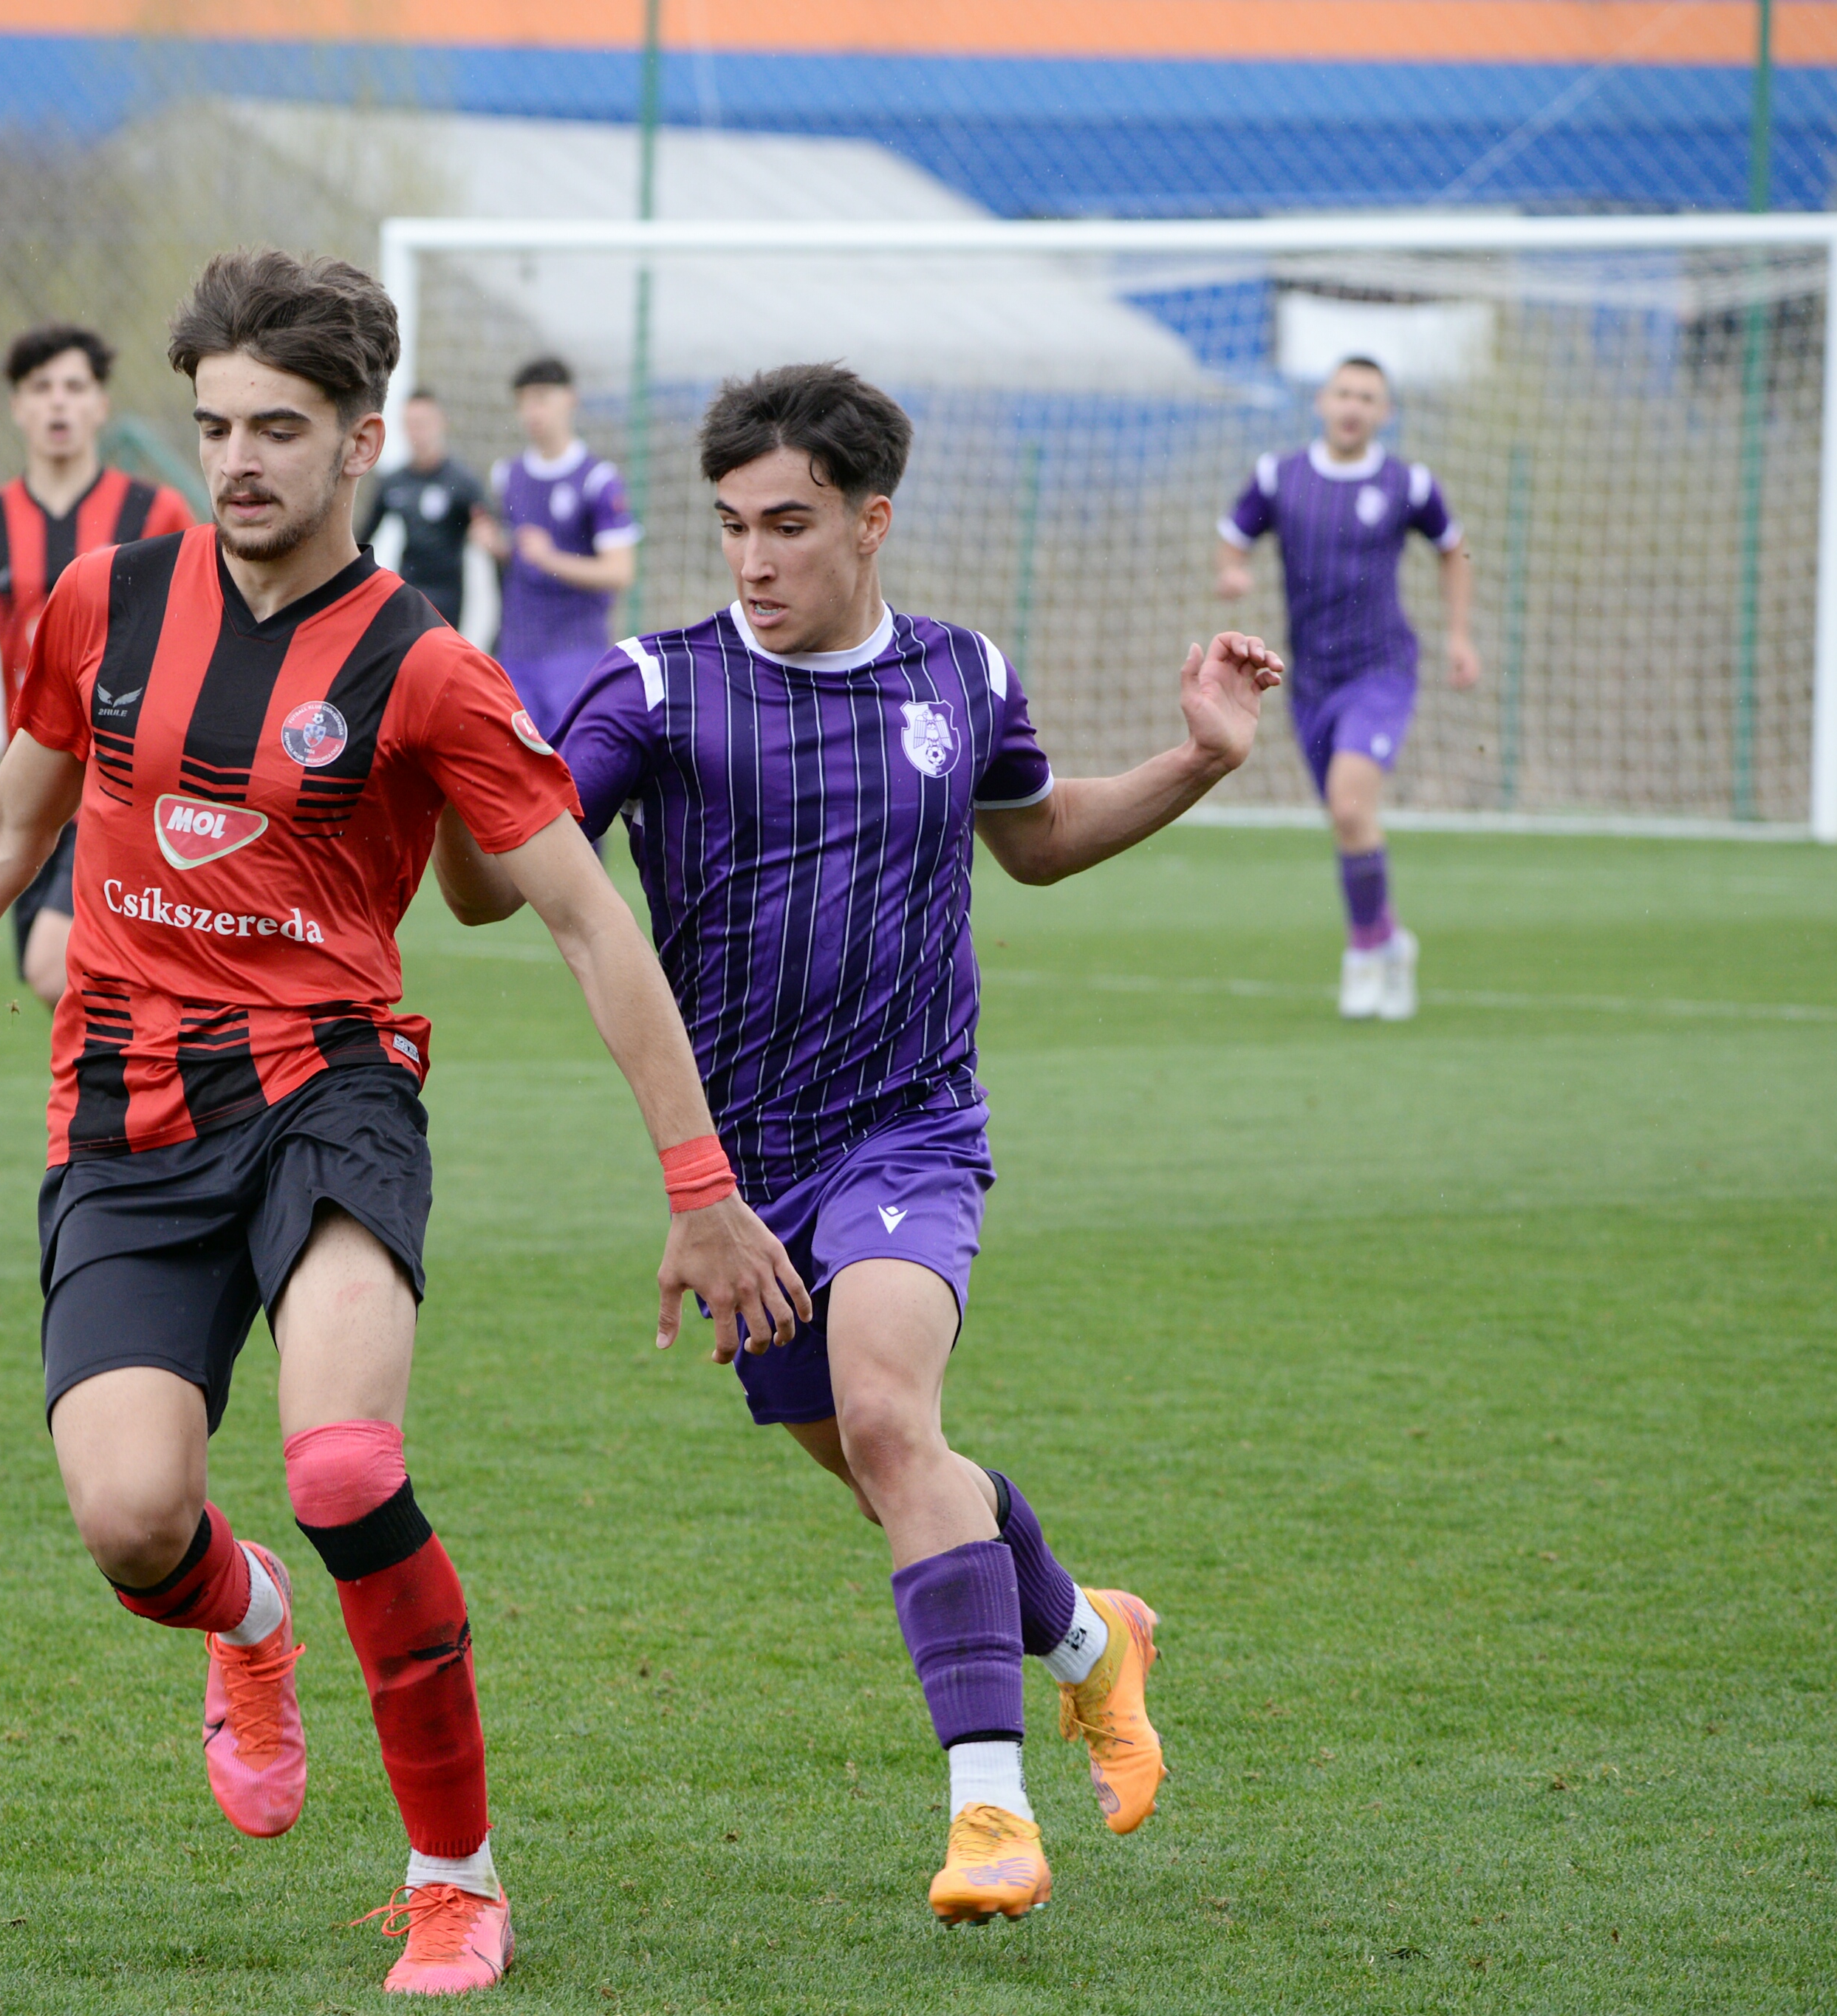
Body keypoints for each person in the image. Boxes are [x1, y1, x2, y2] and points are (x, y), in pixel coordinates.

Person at [0, 250, 808, 1996]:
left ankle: (455, 1877)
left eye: (279, 430)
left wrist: (697, 1185)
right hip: (120, 1113)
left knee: (342, 1464)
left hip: (328, 1096)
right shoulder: (100, 604)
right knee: (127, 1519)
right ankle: (247, 1627)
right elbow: (4, 837)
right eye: (215, 426)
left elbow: (583, 920)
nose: (237, 461)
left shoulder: (425, 665)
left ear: (363, 443)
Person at [458, 362, 1283, 1927]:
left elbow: (1034, 842)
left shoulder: (962, 676)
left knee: (895, 1420)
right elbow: (506, 883)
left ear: (870, 517)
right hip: (742, 1173)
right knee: (885, 1466)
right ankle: (1097, 1640)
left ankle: (989, 1818)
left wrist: (1199, 759)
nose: (755, 560)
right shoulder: (657, 687)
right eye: (731, 528)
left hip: (910, 1130)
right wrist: (454, 777)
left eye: (789, 524)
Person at [0, 321, 195, 1007]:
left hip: (120, 781)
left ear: (99, 405)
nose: (58, 403)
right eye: (41, 389)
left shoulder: (155, 512)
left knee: (53, 967)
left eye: (73, 387)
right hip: (30, 790)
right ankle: (154, 1091)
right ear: (18, 407)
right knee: (67, 983)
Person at [1214, 355, 1476, 1022]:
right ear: (1321, 403)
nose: (1354, 405)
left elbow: (1453, 548)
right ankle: (1391, 939)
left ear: (1384, 412)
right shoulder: (1279, 476)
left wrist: (1459, 636)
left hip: (1382, 669)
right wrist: (1233, 574)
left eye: (1368, 396)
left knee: (1351, 805)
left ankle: (1363, 952)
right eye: (1344, 393)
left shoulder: (1407, 484)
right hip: (1309, 677)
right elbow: (1232, 537)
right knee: (1345, 818)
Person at [477, 355, 637, 720]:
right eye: (523, 402)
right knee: (518, 760)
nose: (532, 412)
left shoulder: (598, 479)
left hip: (575, 649)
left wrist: (552, 559)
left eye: (542, 398)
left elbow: (620, 572)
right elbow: (519, 554)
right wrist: (497, 546)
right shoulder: (507, 475)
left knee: (567, 762)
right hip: (517, 648)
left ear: (570, 399)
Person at [364, 388, 481, 625]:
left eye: (423, 423)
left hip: (448, 595)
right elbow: (363, 538)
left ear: (441, 424)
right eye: (410, 424)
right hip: (408, 589)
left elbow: (493, 535)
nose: (417, 432)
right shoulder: (394, 482)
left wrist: (486, 537)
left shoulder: (462, 482)